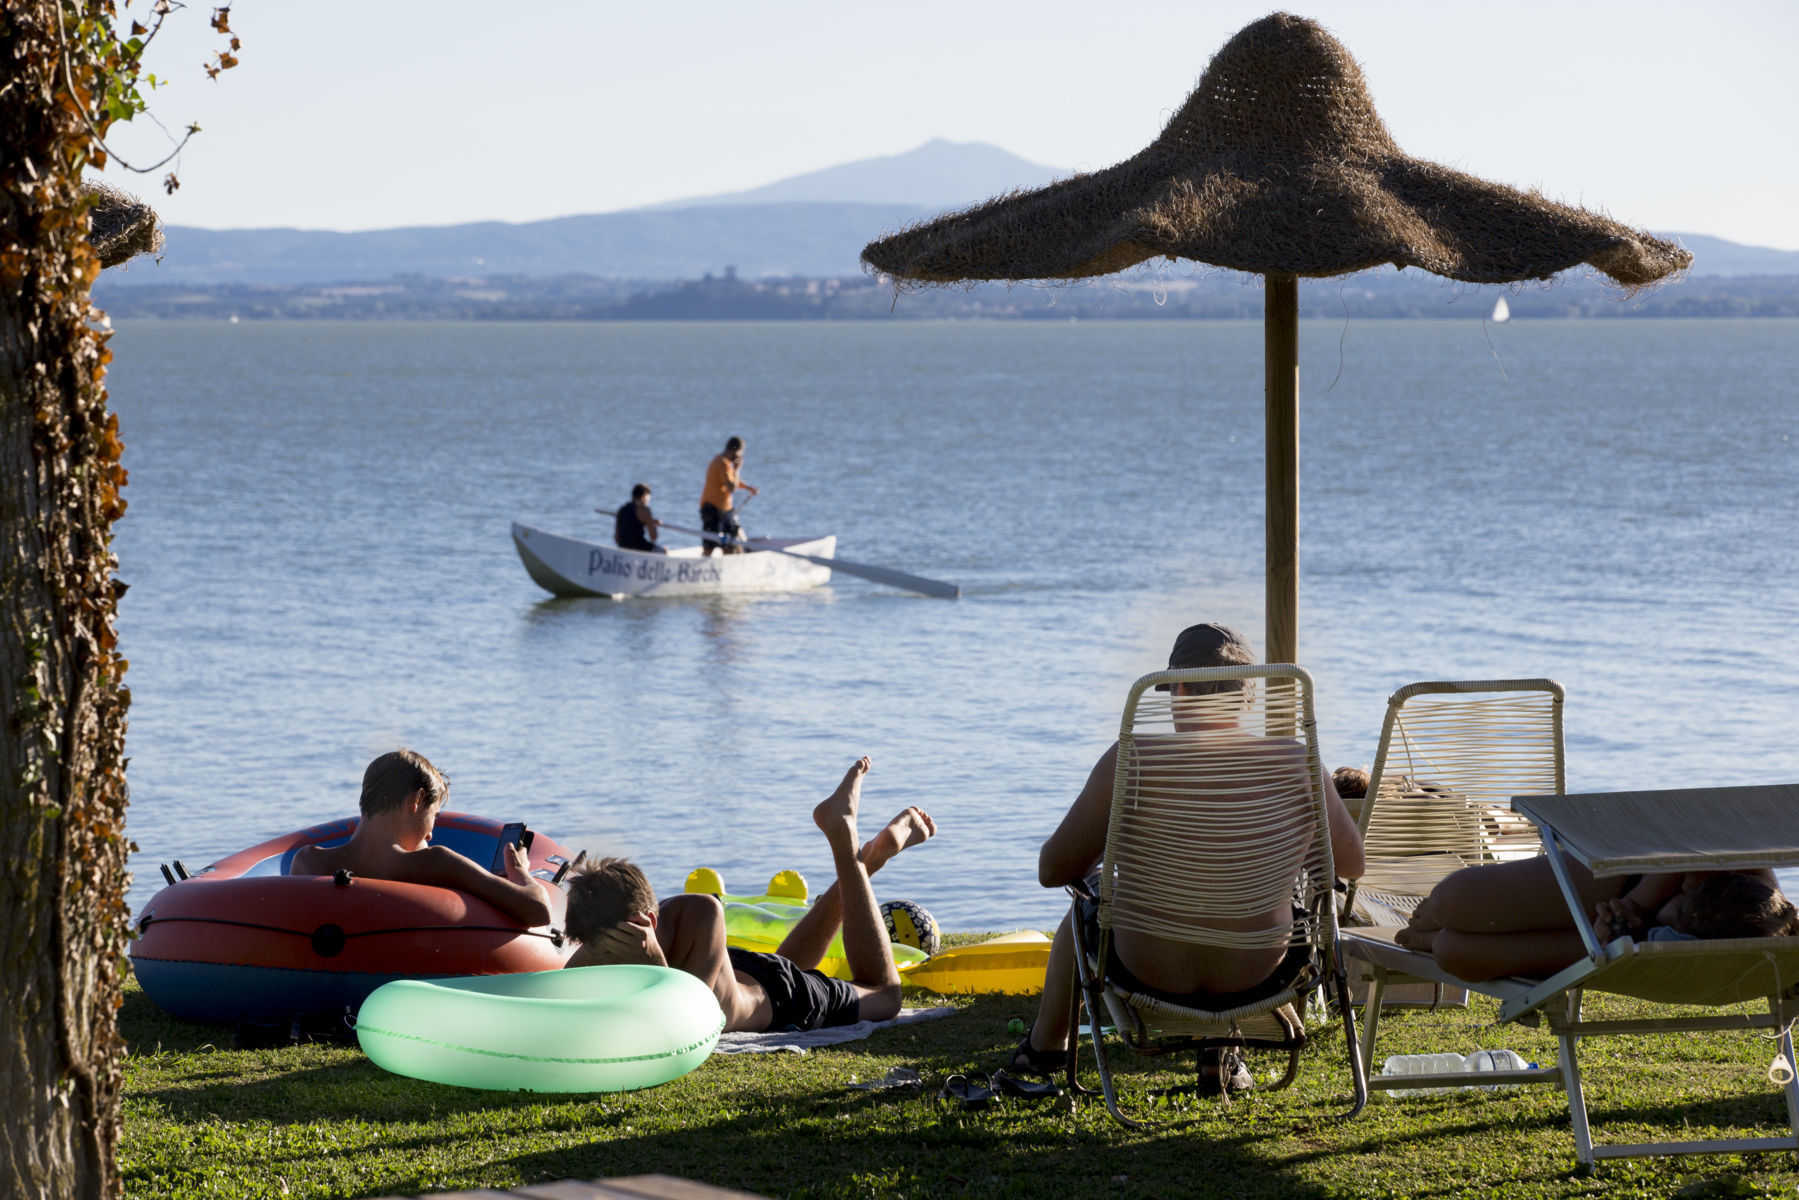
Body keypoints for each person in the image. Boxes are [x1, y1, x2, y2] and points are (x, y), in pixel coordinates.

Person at [1004, 623, 1366, 1093]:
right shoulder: (1297, 764)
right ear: (1249, 695)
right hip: (1259, 972)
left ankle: (1046, 1050)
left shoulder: (1130, 760)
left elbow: (1052, 870)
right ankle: (1220, 1044)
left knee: (1083, 911)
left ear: (1174, 689)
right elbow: (1352, 866)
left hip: (1147, 967)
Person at [563, 757, 934, 1033]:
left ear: (647, 922)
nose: (606, 958)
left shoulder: (700, 913)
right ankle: (867, 861)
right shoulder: (595, 942)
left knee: (885, 996)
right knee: (786, 964)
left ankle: (846, 841)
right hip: (745, 977)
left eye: (612, 946)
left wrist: (655, 961)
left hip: (785, 1001)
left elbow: (688, 1026)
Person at [1395, 855, 1792, 980]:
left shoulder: (1742, 933)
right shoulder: (1750, 881)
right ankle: (1432, 923)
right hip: (1623, 882)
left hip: (1618, 945)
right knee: (1453, 899)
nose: (1686, 890)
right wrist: (1638, 904)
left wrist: (1617, 940)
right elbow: (1706, 825)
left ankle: (1430, 938)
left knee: (1452, 950)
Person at [290, 749, 552, 928]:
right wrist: (520, 872)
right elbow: (538, 910)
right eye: (434, 816)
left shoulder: (308, 863)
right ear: (415, 801)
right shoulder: (436, 864)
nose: (430, 833)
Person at [699, 436, 757, 556]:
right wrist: (737, 469)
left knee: (730, 543)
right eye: (740, 454)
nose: (740, 458)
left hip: (724, 511)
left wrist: (747, 487)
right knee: (710, 544)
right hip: (713, 510)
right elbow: (731, 487)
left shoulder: (723, 463)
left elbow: (732, 481)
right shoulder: (722, 464)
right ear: (734, 451)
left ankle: (730, 563)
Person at [614, 483, 665, 554]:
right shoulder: (644, 510)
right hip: (639, 548)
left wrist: (648, 522)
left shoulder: (621, 510)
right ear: (644, 496)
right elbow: (653, 537)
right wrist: (652, 524)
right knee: (664, 551)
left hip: (623, 548)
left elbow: (616, 539)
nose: (648, 500)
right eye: (648, 498)